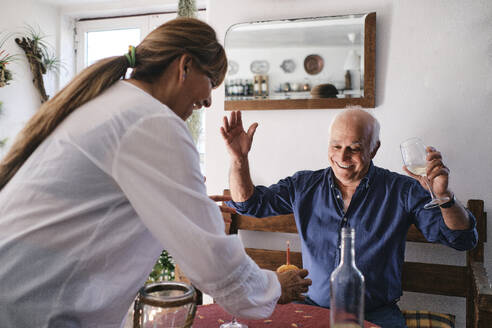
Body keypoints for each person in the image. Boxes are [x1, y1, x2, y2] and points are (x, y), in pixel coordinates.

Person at [0, 18, 311, 327]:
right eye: (211, 81)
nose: (208, 100)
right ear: (185, 66)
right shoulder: (151, 121)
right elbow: (212, 260)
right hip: (34, 309)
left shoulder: (109, 103)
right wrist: (275, 288)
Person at [221, 109, 478, 328]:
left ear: (374, 148)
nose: (342, 157)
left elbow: (461, 239)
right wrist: (239, 159)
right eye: (336, 146)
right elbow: (248, 204)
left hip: (376, 315)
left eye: (354, 148)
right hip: (311, 308)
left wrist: (443, 196)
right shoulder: (303, 185)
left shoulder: (403, 191)